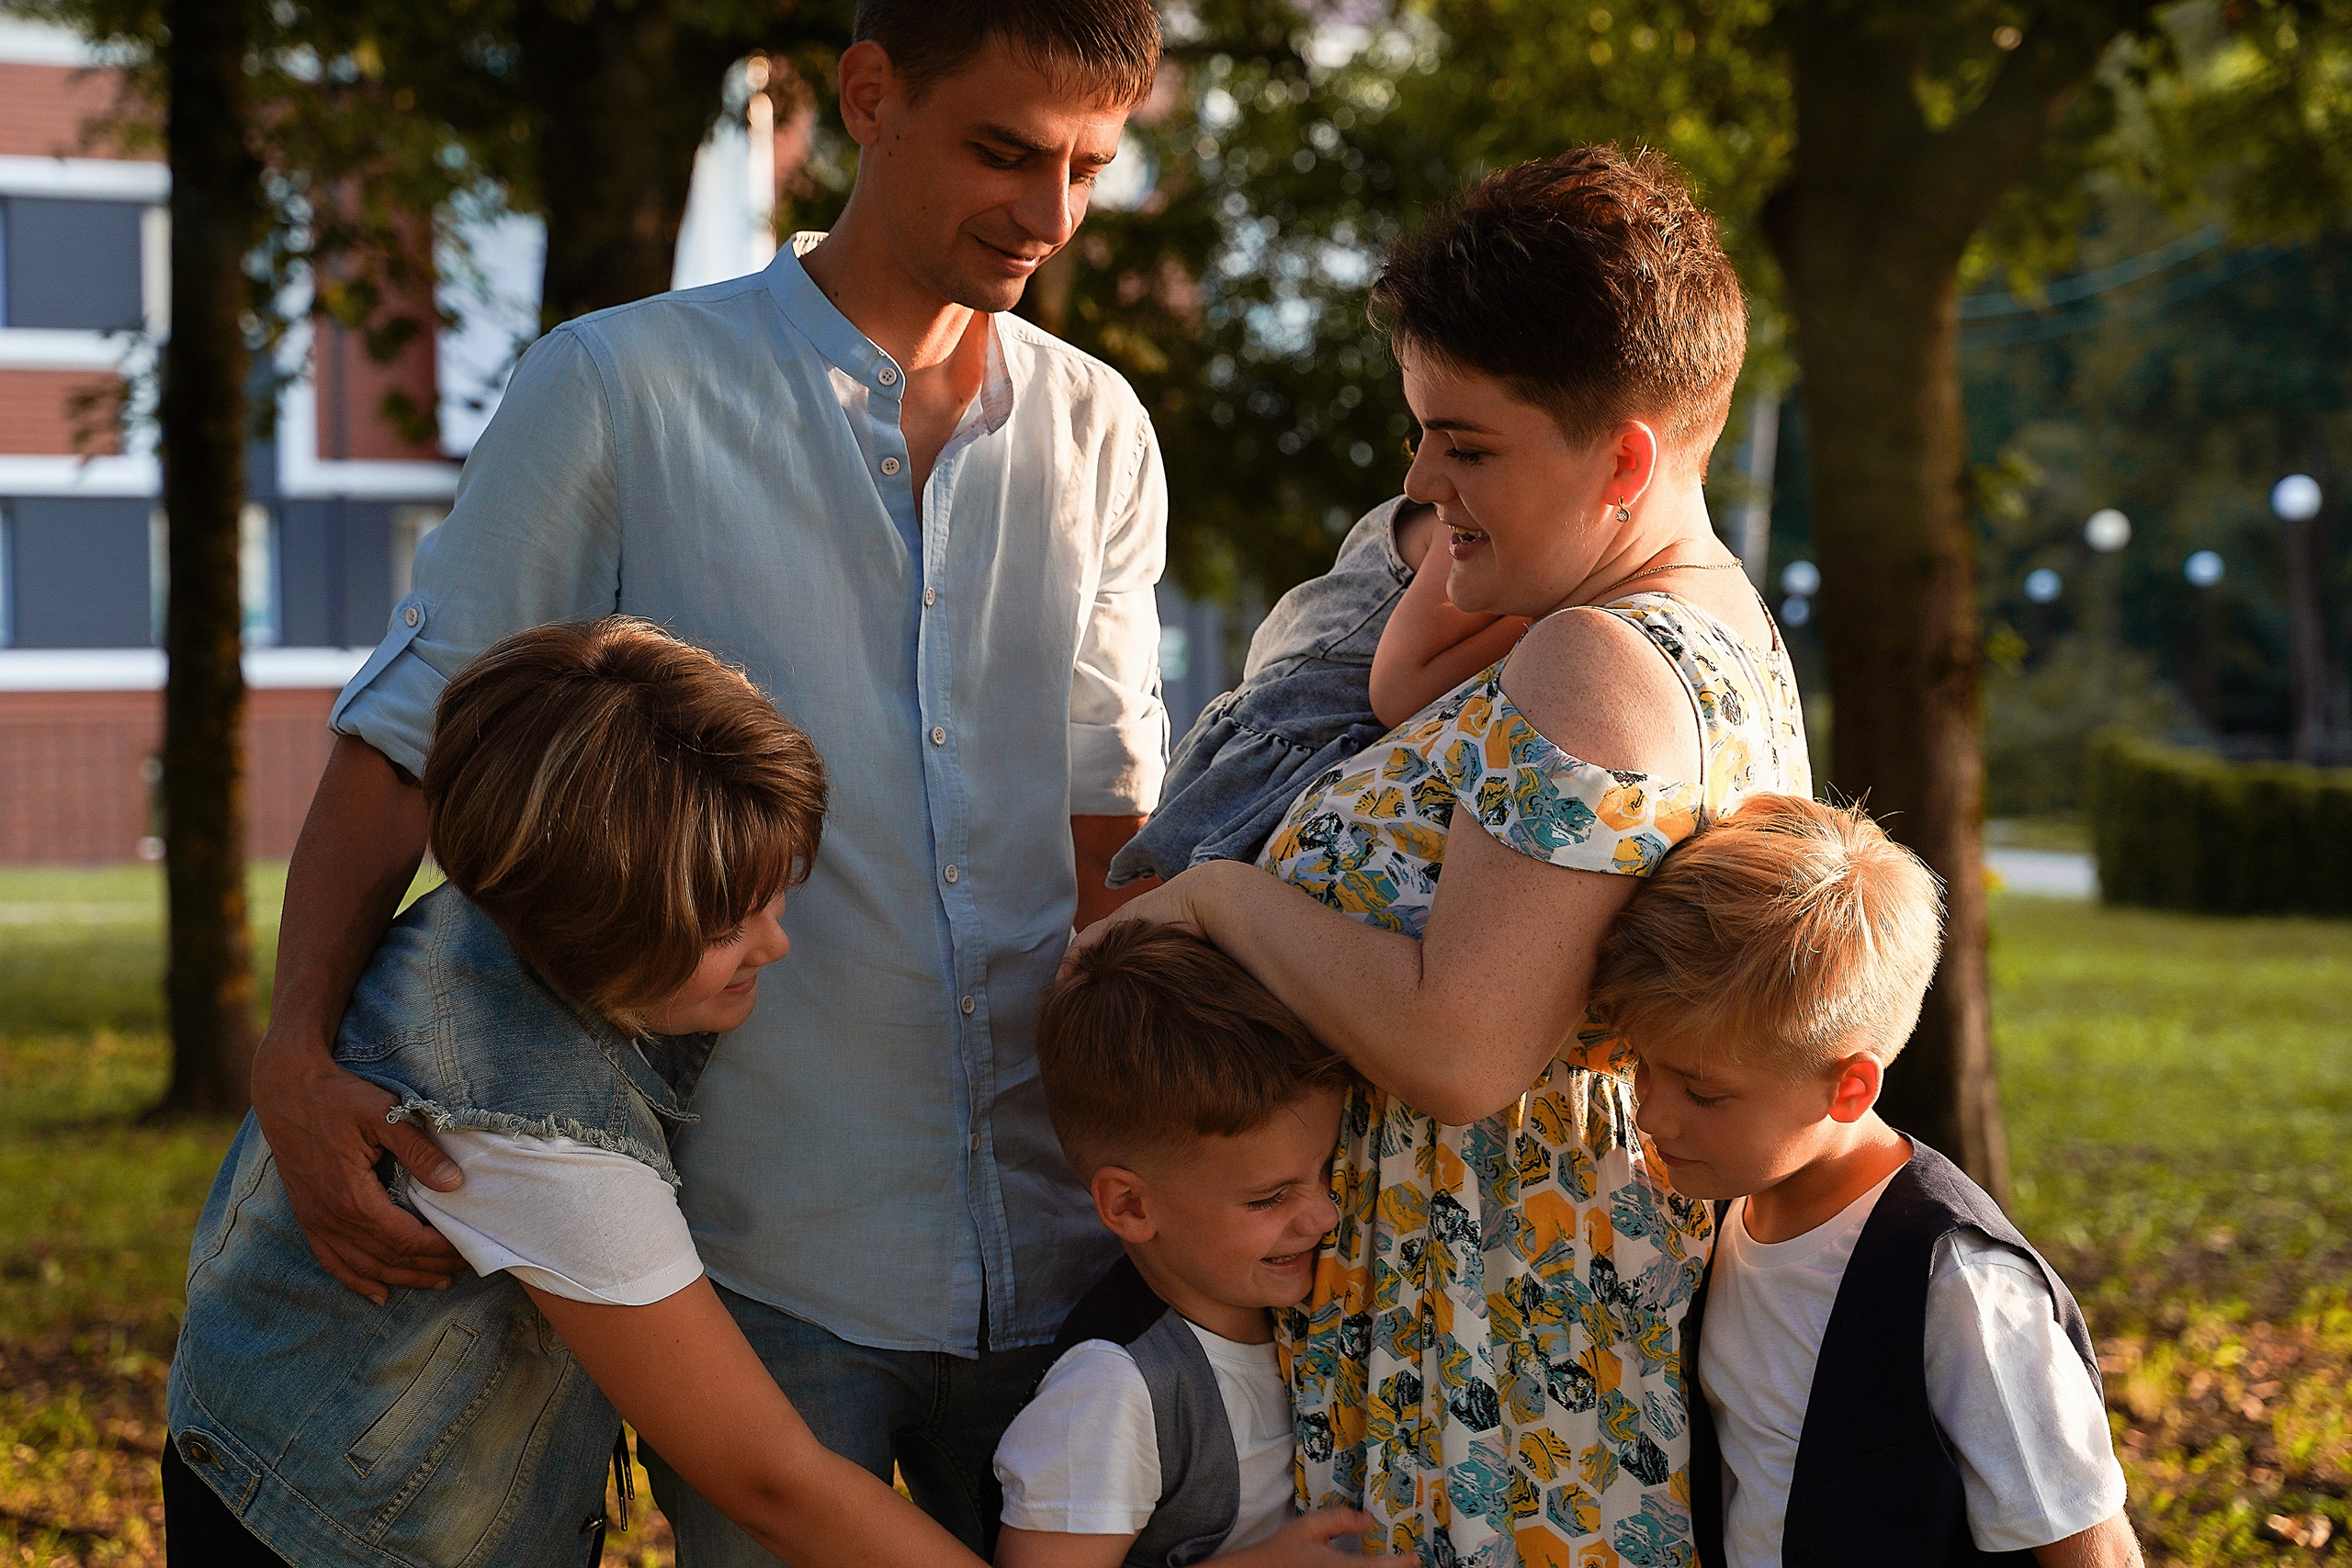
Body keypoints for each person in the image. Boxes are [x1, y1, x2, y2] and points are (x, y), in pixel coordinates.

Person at [245, 1, 1170, 1559]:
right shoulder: (616, 388)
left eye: (1088, 166)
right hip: (753, 1246)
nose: (1051, 213)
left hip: (1069, 1236)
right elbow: (408, 744)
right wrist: (291, 1049)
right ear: (867, 95)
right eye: (1005, 152)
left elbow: (1111, 836)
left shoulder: (1102, 430)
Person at [1074, 146, 1809, 1566]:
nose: (1422, 482)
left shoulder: (1596, 662)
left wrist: (1220, 897)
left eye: (1466, 446)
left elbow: (1465, 1048)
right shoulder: (1712, 629)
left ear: (1625, 459)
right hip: (1506, 1364)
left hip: (1492, 1403)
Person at [167, 618, 989, 1568]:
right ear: (597, 921)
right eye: (726, 927)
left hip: (256, 1438)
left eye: (774, 895)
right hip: (331, 1535)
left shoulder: (508, 907)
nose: (776, 943)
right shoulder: (530, 1132)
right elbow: (770, 1481)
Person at [1594, 793, 2143, 1568]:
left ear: (1849, 1088)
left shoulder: (1959, 1285)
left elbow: (2095, 1550)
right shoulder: (1729, 1212)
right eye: (1642, 1067)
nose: (1651, 1114)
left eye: (1703, 1093)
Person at [993, 921, 1408, 1568]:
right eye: (1270, 1197)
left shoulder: (1294, 1307)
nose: (1325, 1215)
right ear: (1130, 1206)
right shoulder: (1112, 1391)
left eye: (1328, 1168)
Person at [1109, 501, 1526, 888]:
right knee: (1187, 915)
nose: (1425, 480)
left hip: (1297, 739)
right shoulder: (1465, 527)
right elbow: (1399, 692)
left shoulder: (1476, 521)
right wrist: (1536, 615)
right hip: (1285, 757)